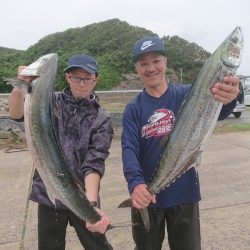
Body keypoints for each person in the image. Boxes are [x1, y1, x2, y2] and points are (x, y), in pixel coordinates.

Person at [121, 36, 240, 250]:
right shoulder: (133, 108)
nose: (150, 68)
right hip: (147, 197)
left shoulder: (188, 94)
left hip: (185, 194)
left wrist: (229, 98)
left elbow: (218, 111)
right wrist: (136, 184)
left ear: (165, 61)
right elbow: (129, 148)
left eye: (155, 60)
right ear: (137, 68)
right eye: (143, 64)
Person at [8, 54, 114, 250]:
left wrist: (91, 204)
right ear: (67, 77)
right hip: (48, 197)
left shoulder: (101, 119)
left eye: (87, 78)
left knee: (99, 246)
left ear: (95, 79)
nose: (81, 83)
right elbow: (15, 114)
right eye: (76, 77)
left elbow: (94, 163)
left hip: (82, 195)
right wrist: (20, 86)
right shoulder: (47, 101)